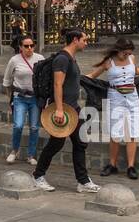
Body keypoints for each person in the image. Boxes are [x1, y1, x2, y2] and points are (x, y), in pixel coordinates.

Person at [83, 37, 139, 180]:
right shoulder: (108, 62)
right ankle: (112, 164)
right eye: (125, 53)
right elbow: (92, 76)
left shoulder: (132, 58)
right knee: (115, 134)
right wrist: (77, 78)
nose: (127, 55)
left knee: (132, 132)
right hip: (115, 97)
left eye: (129, 53)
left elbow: (136, 71)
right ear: (118, 50)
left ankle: (131, 166)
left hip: (132, 98)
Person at [32, 30, 100, 193]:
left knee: (80, 142)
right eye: (84, 39)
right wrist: (59, 110)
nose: (86, 42)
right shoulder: (62, 59)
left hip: (73, 108)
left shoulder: (71, 58)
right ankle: (37, 176)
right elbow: (57, 84)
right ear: (75, 40)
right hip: (62, 109)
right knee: (55, 144)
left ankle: (83, 181)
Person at [2, 33, 43, 165]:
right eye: (26, 46)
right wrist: (10, 98)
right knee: (18, 125)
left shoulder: (40, 58)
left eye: (32, 45)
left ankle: (31, 155)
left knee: (35, 127)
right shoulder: (14, 60)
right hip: (19, 97)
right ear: (21, 47)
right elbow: (7, 81)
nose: (30, 48)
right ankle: (14, 150)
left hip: (35, 98)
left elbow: (44, 77)